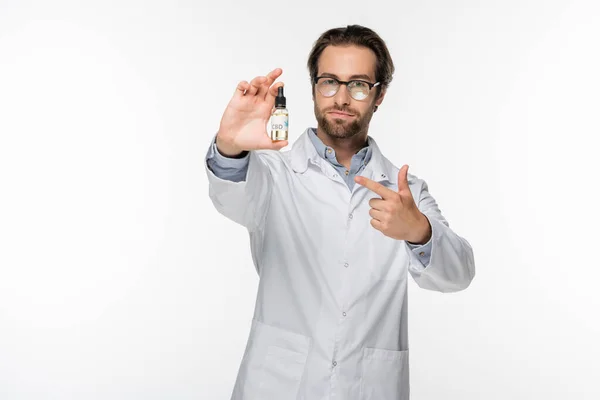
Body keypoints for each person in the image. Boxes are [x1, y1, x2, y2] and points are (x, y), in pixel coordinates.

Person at [204, 24, 475, 400]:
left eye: (360, 84)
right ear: (314, 86)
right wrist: (230, 147)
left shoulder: (405, 192)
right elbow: (230, 197)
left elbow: (458, 274)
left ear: (378, 96)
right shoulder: (274, 174)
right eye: (329, 81)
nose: (342, 98)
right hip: (278, 385)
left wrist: (419, 232)